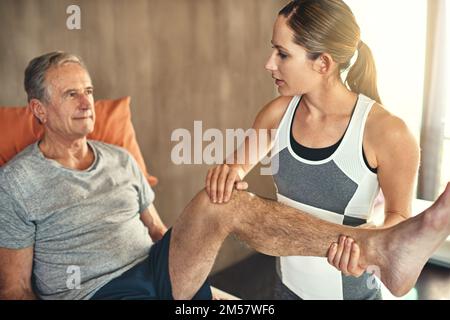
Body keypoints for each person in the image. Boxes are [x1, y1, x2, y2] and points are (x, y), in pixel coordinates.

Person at [0, 52, 449, 301]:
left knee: (226, 202)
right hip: (100, 295)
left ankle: (379, 248)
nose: (86, 102)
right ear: (38, 110)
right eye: (71, 94)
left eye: (90, 92)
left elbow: (157, 231)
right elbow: (15, 289)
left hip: (156, 274)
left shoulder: (118, 158)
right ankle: (382, 248)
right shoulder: (19, 181)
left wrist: (194, 272)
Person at [205, 0, 421, 299]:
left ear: (323, 63)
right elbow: (237, 166)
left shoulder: (387, 132)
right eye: (273, 50)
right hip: (284, 288)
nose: (269, 63)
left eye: (282, 54)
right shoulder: (276, 114)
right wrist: (227, 172)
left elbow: (400, 222)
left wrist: (365, 247)